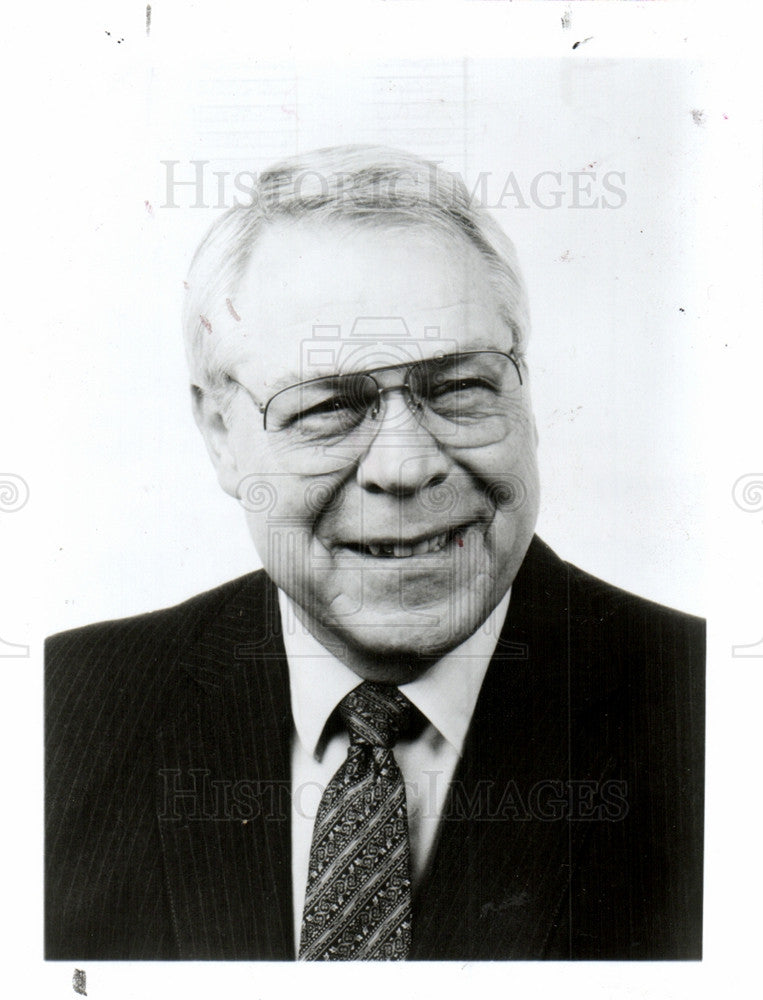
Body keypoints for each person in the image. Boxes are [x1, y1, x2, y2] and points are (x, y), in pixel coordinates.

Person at [45, 145, 705, 961]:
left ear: (525, 394)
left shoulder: (712, 710)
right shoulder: (56, 715)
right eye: (327, 407)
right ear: (220, 435)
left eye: (459, 388)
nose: (403, 464)